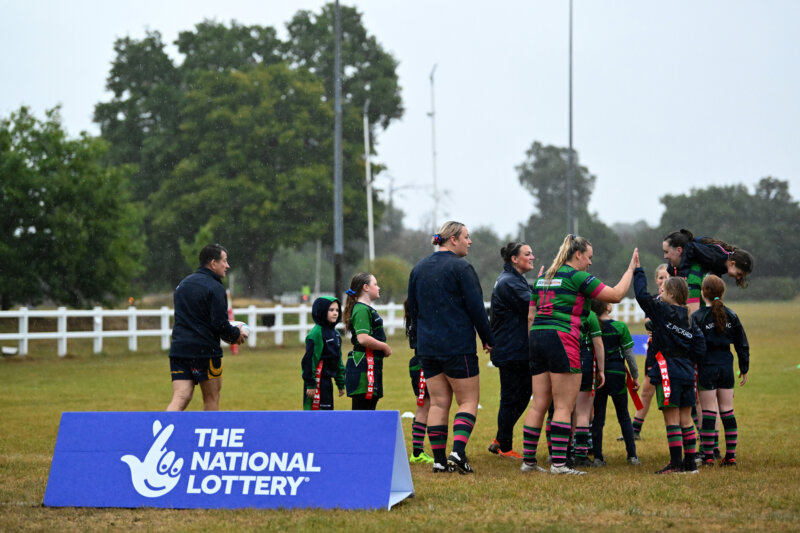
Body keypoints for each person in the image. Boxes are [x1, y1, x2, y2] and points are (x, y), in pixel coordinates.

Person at [520, 235, 637, 476]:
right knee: (564, 406)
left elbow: (531, 316)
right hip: (562, 338)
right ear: (578, 255)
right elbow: (615, 295)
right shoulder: (577, 277)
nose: (590, 263)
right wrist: (631, 269)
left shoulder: (543, 277)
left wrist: (535, 342)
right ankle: (560, 465)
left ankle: (529, 462)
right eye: (589, 257)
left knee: (539, 404)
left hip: (538, 338)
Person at [407, 221, 494, 474]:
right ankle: (457, 452)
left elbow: (412, 311)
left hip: (428, 348)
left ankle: (438, 460)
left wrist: (417, 344)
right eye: (467, 237)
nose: (470, 242)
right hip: (457, 346)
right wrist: (488, 338)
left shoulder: (418, 268)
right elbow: (477, 308)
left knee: (438, 403)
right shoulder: (462, 268)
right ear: (453, 239)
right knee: (467, 401)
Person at [633, 259, 706, 474]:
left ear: (672, 294)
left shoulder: (662, 311)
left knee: (671, 419)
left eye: (663, 290)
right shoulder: (690, 319)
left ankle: (675, 464)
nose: (660, 293)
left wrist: (638, 271)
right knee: (685, 419)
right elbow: (700, 348)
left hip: (668, 372)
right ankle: (691, 464)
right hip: (687, 372)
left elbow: (641, 296)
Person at [167, 244, 247, 411]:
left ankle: (164, 435)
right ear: (213, 263)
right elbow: (219, 323)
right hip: (205, 352)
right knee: (211, 399)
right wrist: (235, 335)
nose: (227, 265)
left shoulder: (183, 285)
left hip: (179, 350)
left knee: (181, 396)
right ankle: (209, 436)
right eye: (224, 261)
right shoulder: (215, 287)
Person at [692, 274, 750, 467]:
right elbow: (742, 343)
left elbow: (694, 346)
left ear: (703, 293)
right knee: (727, 410)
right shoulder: (731, 315)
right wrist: (744, 367)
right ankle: (730, 455)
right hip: (726, 365)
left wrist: (694, 365)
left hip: (707, 366)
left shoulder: (698, 316)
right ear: (722, 292)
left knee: (708, 411)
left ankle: (708, 456)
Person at [487, 242, 538, 460]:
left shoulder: (514, 280)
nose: (532, 257)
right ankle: (505, 446)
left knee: (523, 395)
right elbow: (534, 305)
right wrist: (543, 288)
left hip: (514, 349)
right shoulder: (510, 282)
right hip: (511, 350)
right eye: (527, 254)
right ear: (514, 259)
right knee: (511, 398)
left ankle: (500, 438)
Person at [622, 263, 670, 441]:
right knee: (647, 390)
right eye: (660, 277)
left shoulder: (677, 300)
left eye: (667, 277)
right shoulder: (654, 300)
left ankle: (697, 432)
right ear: (656, 280)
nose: (663, 281)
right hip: (654, 350)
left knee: (679, 393)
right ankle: (635, 430)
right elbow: (649, 322)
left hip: (670, 352)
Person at [590, 299, 640, 466]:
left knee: (598, 418)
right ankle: (632, 456)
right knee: (624, 416)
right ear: (607, 306)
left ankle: (597, 457)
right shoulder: (620, 327)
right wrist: (635, 376)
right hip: (618, 373)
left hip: (598, 376)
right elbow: (629, 356)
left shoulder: (592, 326)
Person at [662, 229, 754, 315]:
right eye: (739, 274)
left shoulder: (721, 265)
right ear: (732, 263)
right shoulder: (713, 257)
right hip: (690, 250)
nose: (738, 278)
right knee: (671, 271)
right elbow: (691, 247)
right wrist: (683, 273)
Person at [343, 272, 392, 411]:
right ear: (365, 287)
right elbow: (363, 338)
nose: (379, 287)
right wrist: (384, 347)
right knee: (362, 413)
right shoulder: (361, 309)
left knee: (369, 411)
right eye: (375, 284)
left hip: (371, 364)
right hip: (363, 367)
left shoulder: (365, 309)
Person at [572, 307, 605, 467]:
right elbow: (598, 343)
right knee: (583, 412)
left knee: (563, 409)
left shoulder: (563, 309)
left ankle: (562, 453)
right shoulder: (590, 315)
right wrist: (601, 370)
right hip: (584, 359)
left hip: (564, 357)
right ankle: (581, 455)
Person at [404, 299, 434, 464]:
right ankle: (417, 452)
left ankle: (419, 450)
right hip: (423, 364)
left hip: (419, 363)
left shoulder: (413, 319)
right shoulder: (420, 322)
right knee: (423, 407)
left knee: (426, 406)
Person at [301, 296, 345, 410]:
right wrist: (310, 384)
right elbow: (310, 360)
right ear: (321, 311)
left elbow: (338, 359)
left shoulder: (336, 334)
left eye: (337, 310)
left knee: (327, 415)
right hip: (316, 383)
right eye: (331, 310)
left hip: (327, 382)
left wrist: (341, 383)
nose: (335, 313)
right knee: (313, 417)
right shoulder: (316, 333)